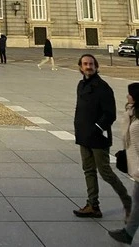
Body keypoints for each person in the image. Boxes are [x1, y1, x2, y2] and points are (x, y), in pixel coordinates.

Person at [73, 53, 132, 219]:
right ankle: (93, 205)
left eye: (91, 64)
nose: (88, 66)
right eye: (85, 64)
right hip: (84, 135)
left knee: (105, 172)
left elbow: (110, 114)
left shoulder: (103, 87)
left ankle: (129, 204)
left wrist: (97, 128)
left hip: (98, 137)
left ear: (96, 66)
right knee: (88, 170)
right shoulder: (81, 85)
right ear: (80, 67)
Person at [109, 83, 139, 244]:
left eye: (129, 94)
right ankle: (128, 233)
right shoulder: (133, 115)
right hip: (137, 170)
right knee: (138, 202)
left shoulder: (137, 124)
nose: (126, 96)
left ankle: (128, 233)